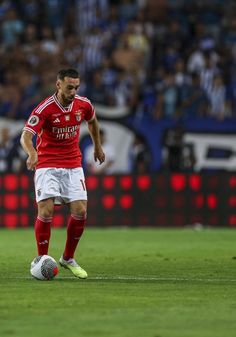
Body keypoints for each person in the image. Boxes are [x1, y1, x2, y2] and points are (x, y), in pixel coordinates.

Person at [20, 68, 105, 279]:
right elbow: (26, 136)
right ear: (58, 85)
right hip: (47, 163)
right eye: (69, 87)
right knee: (46, 211)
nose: (74, 91)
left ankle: (67, 258)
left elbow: (92, 121)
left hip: (73, 164)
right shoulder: (45, 108)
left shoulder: (83, 104)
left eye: (76, 87)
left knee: (80, 211)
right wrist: (32, 153)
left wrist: (97, 146)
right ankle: (42, 260)